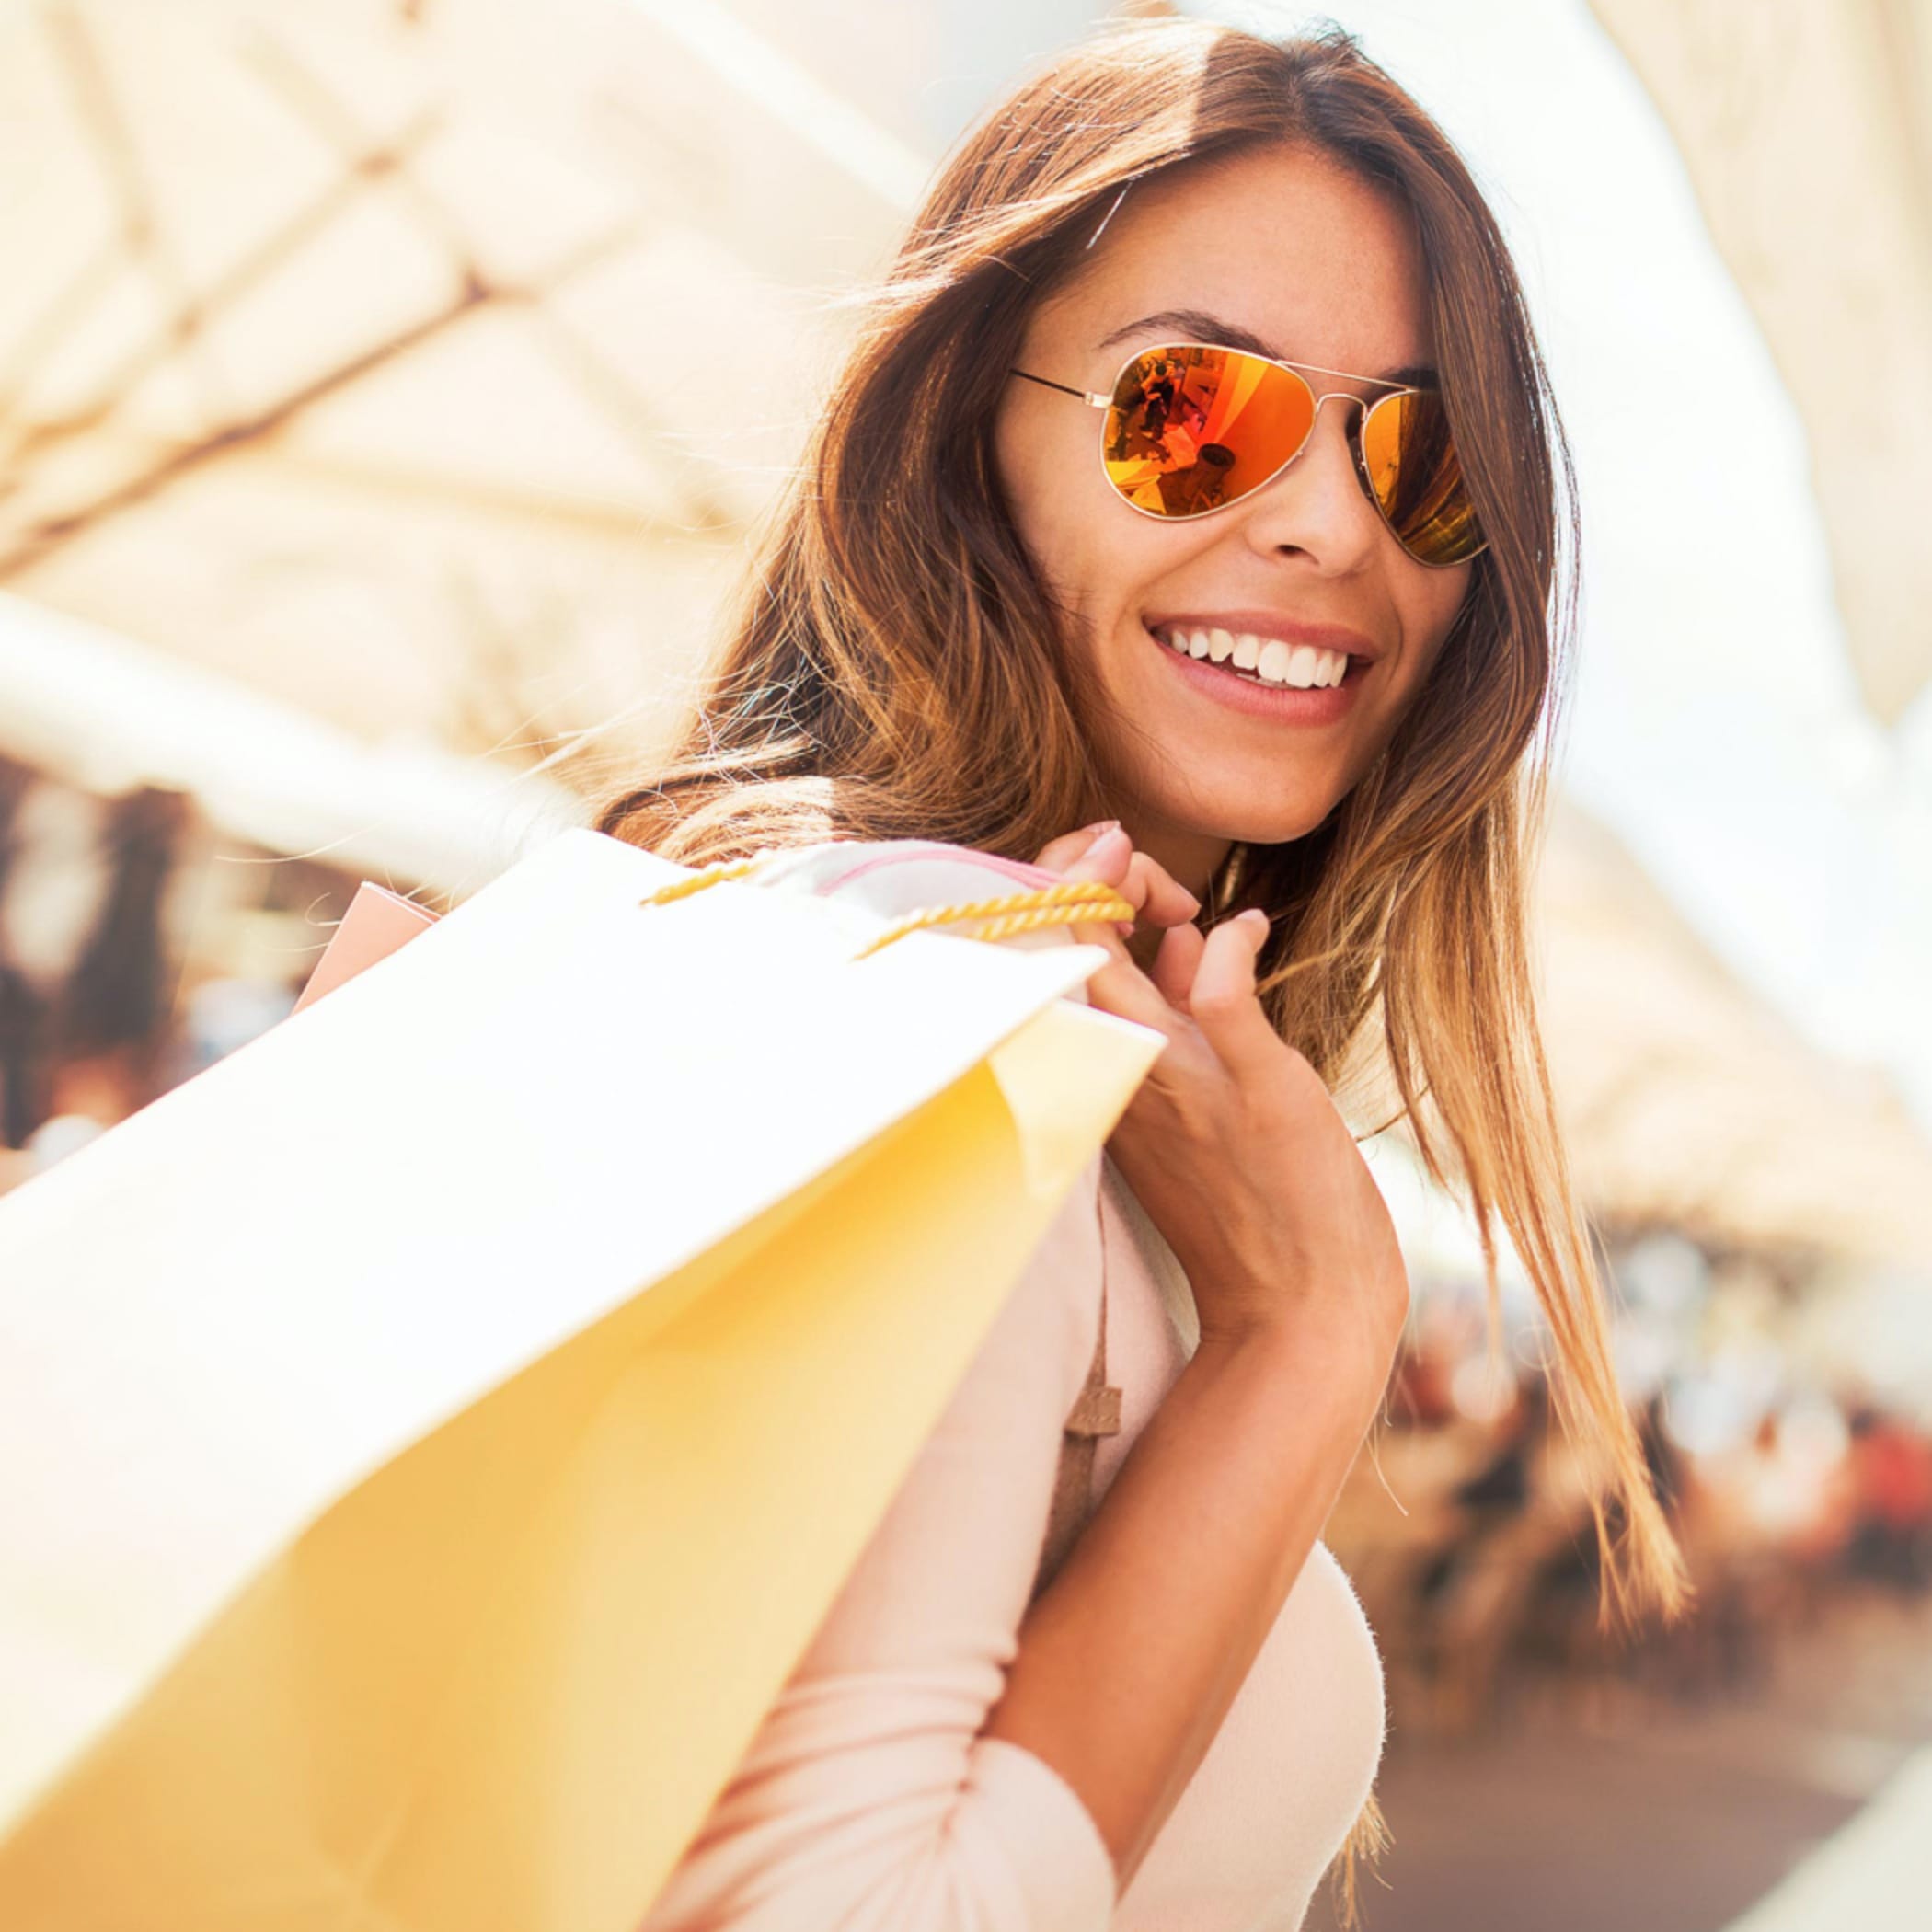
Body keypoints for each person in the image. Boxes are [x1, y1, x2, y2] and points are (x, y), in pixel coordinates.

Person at [592, 17, 1692, 1930]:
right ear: (962, 441)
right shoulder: (930, 1024)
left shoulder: (1062, 1073)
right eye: (1190, 411)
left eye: (1426, 460)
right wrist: (1304, 1341)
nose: (1331, 523)